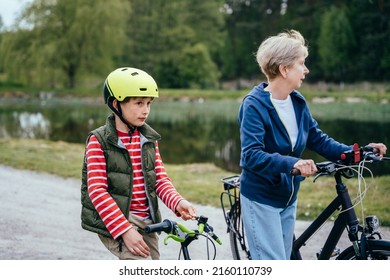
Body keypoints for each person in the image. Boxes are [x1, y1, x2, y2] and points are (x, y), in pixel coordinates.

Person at [237, 29, 387, 260]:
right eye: (301, 63)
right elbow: (251, 156)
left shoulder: (297, 101)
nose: (306, 70)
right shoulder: (254, 105)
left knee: (284, 260)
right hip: (261, 198)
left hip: (288, 196)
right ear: (284, 69)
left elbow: (317, 139)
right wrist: (293, 162)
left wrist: (355, 152)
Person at [81, 67, 197, 260]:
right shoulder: (99, 141)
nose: (146, 110)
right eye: (139, 103)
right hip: (117, 218)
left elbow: (159, 179)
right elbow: (97, 191)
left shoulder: (148, 139)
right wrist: (125, 230)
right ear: (117, 104)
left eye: (149, 103)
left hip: (147, 219)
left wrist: (177, 202)